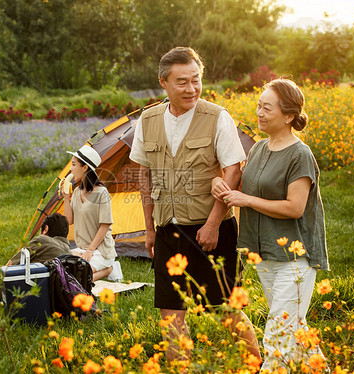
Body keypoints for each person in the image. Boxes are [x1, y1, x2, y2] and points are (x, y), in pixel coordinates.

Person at [129, 46, 261, 362]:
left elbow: (233, 171)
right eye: (182, 82)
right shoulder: (147, 120)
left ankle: (256, 366)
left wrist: (214, 223)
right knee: (170, 315)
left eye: (196, 80)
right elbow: (143, 175)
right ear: (163, 82)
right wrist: (149, 228)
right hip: (167, 232)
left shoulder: (217, 117)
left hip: (212, 229)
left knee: (227, 310)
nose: (191, 89)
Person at [212, 78, 329, 370]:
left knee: (278, 332)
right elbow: (240, 183)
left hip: (295, 256)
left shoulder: (299, 154)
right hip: (265, 252)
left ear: (289, 115)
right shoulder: (259, 149)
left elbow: (294, 207)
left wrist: (246, 200)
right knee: (294, 327)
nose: (259, 113)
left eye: (267, 108)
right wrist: (219, 181)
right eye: (258, 106)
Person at [62, 145, 120, 282]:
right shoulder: (76, 192)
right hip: (81, 249)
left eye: (74, 164)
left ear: (85, 168)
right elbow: (68, 221)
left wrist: (90, 251)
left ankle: (109, 268)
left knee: (79, 279)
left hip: (100, 251)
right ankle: (103, 269)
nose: (70, 169)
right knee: (61, 268)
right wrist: (66, 197)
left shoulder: (101, 193)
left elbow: (105, 226)